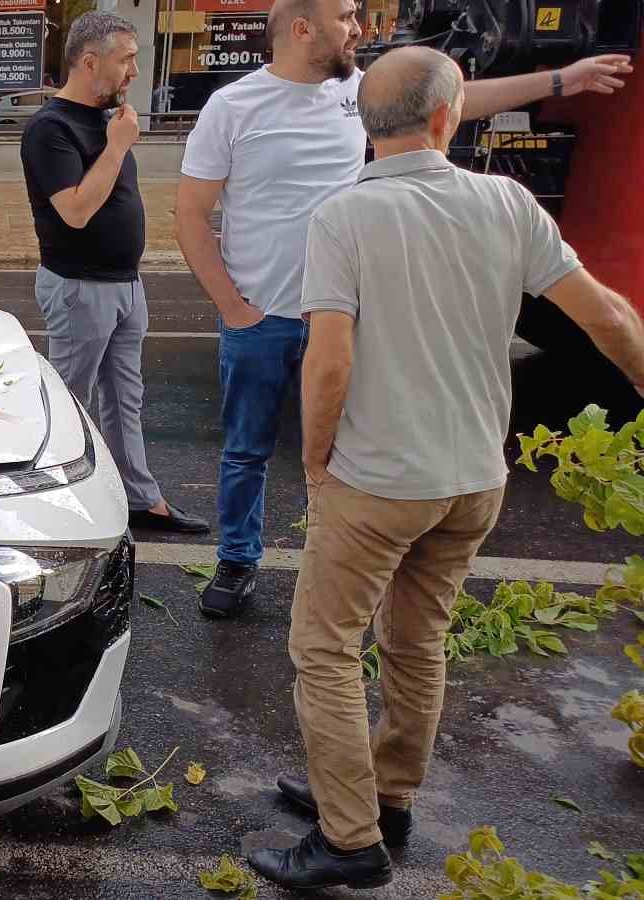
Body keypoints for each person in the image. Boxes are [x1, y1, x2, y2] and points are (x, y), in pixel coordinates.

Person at [244, 46, 644, 891]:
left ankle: (348, 839)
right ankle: (383, 800)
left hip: (378, 481)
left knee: (323, 649)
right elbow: (606, 315)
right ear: (446, 118)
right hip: (474, 479)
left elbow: (328, 366)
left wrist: (318, 460)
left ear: (366, 122)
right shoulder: (506, 201)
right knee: (418, 644)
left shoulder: (344, 217)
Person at [174, 0, 633, 618]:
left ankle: (334, 559)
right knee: (247, 450)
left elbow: (457, 94)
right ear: (302, 29)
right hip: (263, 317)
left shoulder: (362, 94)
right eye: (346, 17)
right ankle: (237, 561)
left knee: (349, 451)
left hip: (347, 315)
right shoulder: (231, 108)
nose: (359, 29)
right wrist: (233, 307)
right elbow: (189, 213)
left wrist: (562, 80)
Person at [20, 12, 209, 535]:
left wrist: (115, 139)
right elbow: (76, 211)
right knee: (69, 404)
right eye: (125, 59)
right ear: (89, 61)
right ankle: (57, 505)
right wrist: (119, 145)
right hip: (81, 287)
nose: (133, 72)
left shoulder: (108, 120)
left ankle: (140, 499)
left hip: (126, 283)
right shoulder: (49, 129)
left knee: (126, 397)